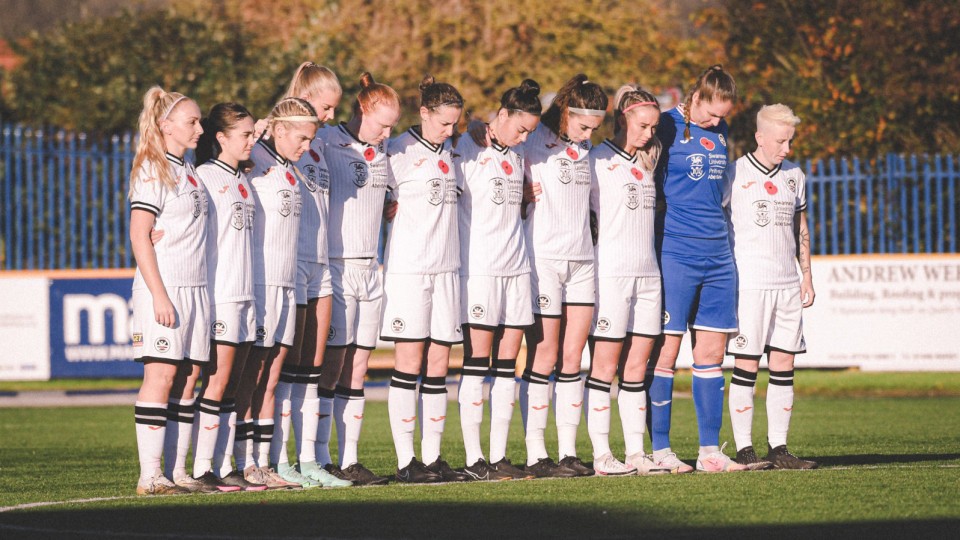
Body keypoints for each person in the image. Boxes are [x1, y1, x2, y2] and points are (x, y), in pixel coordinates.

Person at [648, 65, 746, 473]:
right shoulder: (666, 126)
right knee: (666, 352)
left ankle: (710, 451)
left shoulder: (721, 133)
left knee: (711, 354)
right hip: (676, 251)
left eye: (723, 115)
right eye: (712, 113)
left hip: (718, 255)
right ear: (697, 98)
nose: (717, 122)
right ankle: (661, 450)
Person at [382, 75, 469, 483]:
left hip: (446, 269)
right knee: (409, 362)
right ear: (424, 113)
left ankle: (432, 458)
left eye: (454, 124)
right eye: (444, 124)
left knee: (439, 362)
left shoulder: (453, 150)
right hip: (410, 271)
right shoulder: (396, 151)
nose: (450, 131)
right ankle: (405, 462)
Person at [519, 74, 607, 478]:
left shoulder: (587, 150)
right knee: (546, 354)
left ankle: (568, 451)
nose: (589, 134)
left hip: (582, 262)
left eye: (594, 128)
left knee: (574, 358)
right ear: (567, 112)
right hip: (545, 260)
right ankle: (537, 452)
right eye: (583, 125)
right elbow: (492, 137)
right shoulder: (535, 142)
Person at [269, 62, 351, 488]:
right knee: (284, 367)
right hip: (289, 265)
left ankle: (311, 461)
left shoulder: (320, 144)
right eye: (326, 107)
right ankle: (278, 460)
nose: (331, 117)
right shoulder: (272, 143)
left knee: (312, 369)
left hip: (321, 264)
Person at [455, 79, 542, 481]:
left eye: (529, 132)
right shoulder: (468, 146)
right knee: (477, 364)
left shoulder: (520, 153)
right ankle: (474, 460)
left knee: (507, 366)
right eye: (520, 128)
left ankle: (498, 456)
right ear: (502, 115)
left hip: (517, 269)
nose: (524, 137)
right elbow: (463, 130)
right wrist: (473, 123)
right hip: (482, 271)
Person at [316, 72, 400, 485]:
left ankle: (349, 460)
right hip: (337, 265)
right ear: (364, 109)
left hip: (372, 268)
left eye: (393, 126)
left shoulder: (385, 153)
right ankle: (320, 457)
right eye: (383, 123)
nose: (388, 132)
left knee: (359, 367)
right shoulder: (328, 141)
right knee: (332, 366)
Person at [232, 97, 320, 489]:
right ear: (280, 131)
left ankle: (263, 462)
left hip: (288, 285)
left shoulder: (290, 170)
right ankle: (239, 460)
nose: (306, 147)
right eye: (301, 138)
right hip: (260, 285)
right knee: (250, 376)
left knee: (271, 377)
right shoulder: (254, 164)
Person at [725, 103, 818, 469]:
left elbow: (800, 228)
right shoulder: (735, 174)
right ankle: (744, 448)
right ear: (760, 137)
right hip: (749, 284)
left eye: (790, 141)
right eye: (781, 141)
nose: (787, 149)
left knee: (784, 363)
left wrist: (806, 274)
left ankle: (779, 448)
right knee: (746, 364)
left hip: (787, 284)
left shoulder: (795, 175)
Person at [584, 86, 670, 476]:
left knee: (636, 367)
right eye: (642, 125)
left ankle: (636, 452)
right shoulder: (597, 160)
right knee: (604, 366)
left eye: (653, 126)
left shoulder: (650, 161)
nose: (649, 133)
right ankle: (602, 453)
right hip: (611, 275)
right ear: (622, 119)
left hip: (648, 275)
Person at [129, 86, 209, 495]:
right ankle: (150, 476)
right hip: (166, 288)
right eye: (192, 121)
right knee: (160, 375)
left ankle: (178, 472)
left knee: (189, 377)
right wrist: (159, 294)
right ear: (166, 126)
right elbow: (139, 234)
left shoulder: (189, 169)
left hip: (196, 288)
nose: (199, 128)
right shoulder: (152, 168)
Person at [191, 102, 265, 492]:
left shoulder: (243, 178)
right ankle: (204, 466)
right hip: (221, 294)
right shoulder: (205, 177)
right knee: (217, 384)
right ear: (220, 137)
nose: (252, 140)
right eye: (245, 134)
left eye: (254, 133)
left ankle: (225, 464)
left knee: (238, 386)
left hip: (246, 294)